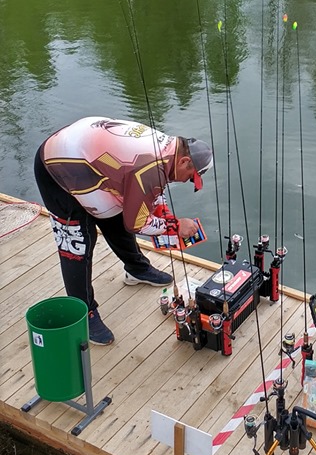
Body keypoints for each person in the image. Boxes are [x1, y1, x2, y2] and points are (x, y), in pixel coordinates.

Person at [34, 117, 213, 346]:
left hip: (85, 159)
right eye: (190, 178)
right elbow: (136, 223)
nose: (188, 181)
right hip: (56, 169)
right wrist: (176, 226)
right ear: (185, 161)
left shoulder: (169, 148)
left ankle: (136, 268)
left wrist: (163, 212)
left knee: (116, 208)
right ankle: (84, 313)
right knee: (77, 243)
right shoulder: (150, 167)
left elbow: (148, 191)